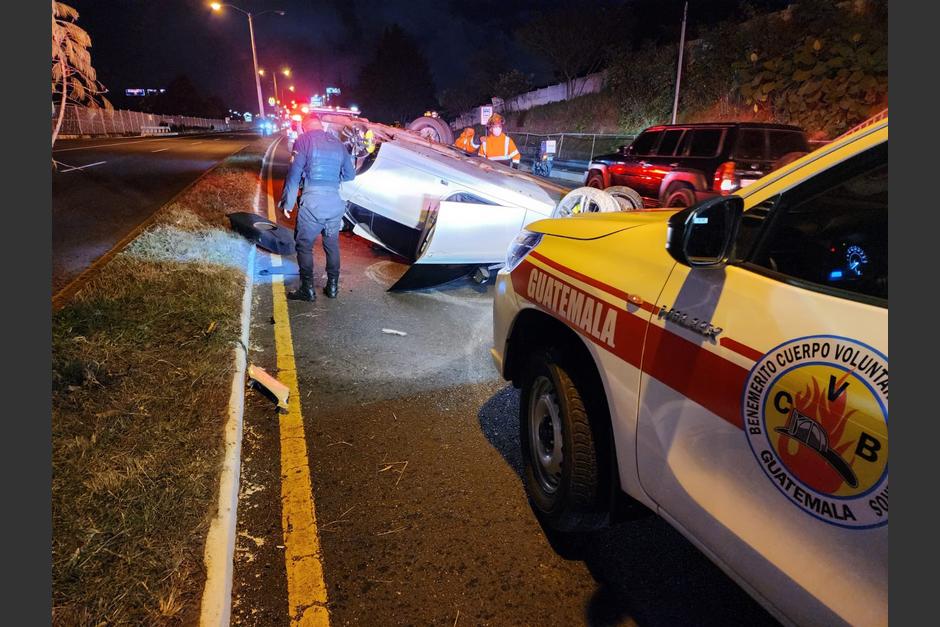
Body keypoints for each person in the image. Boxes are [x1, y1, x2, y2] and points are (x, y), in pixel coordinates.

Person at [277, 113, 356, 301]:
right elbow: (350, 175)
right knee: (331, 245)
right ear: (322, 126)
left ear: (304, 127)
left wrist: (287, 203)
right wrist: (333, 180)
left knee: (304, 246)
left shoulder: (303, 140)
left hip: (313, 203)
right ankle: (333, 288)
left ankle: (307, 290)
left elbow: (294, 175)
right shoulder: (338, 144)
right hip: (335, 204)